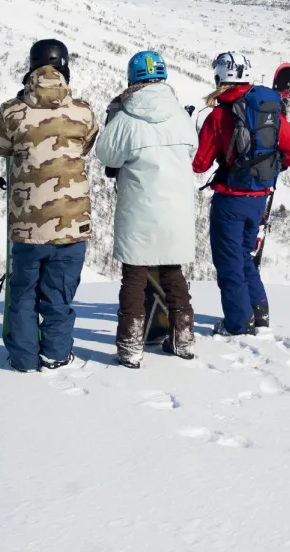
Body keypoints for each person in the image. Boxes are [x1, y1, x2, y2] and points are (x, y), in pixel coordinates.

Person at [0, 38, 98, 372]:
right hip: (72, 224)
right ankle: (58, 355)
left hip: (27, 225)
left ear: (31, 69)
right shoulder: (82, 111)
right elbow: (87, 143)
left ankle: (23, 359)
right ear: (64, 68)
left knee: (22, 296)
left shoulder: (12, 111)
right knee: (58, 297)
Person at [95, 50, 199, 368]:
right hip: (177, 212)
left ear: (132, 79)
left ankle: (130, 346)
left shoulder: (126, 119)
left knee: (135, 280)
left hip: (139, 212)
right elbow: (192, 151)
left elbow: (106, 155)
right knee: (173, 275)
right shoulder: (180, 115)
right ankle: (183, 339)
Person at [192, 51, 290, 336]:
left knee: (229, 262)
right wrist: (270, 169)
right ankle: (260, 312)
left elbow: (199, 164)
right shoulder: (267, 108)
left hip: (230, 199)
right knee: (243, 256)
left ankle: (238, 324)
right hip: (258, 198)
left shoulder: (218, 115)